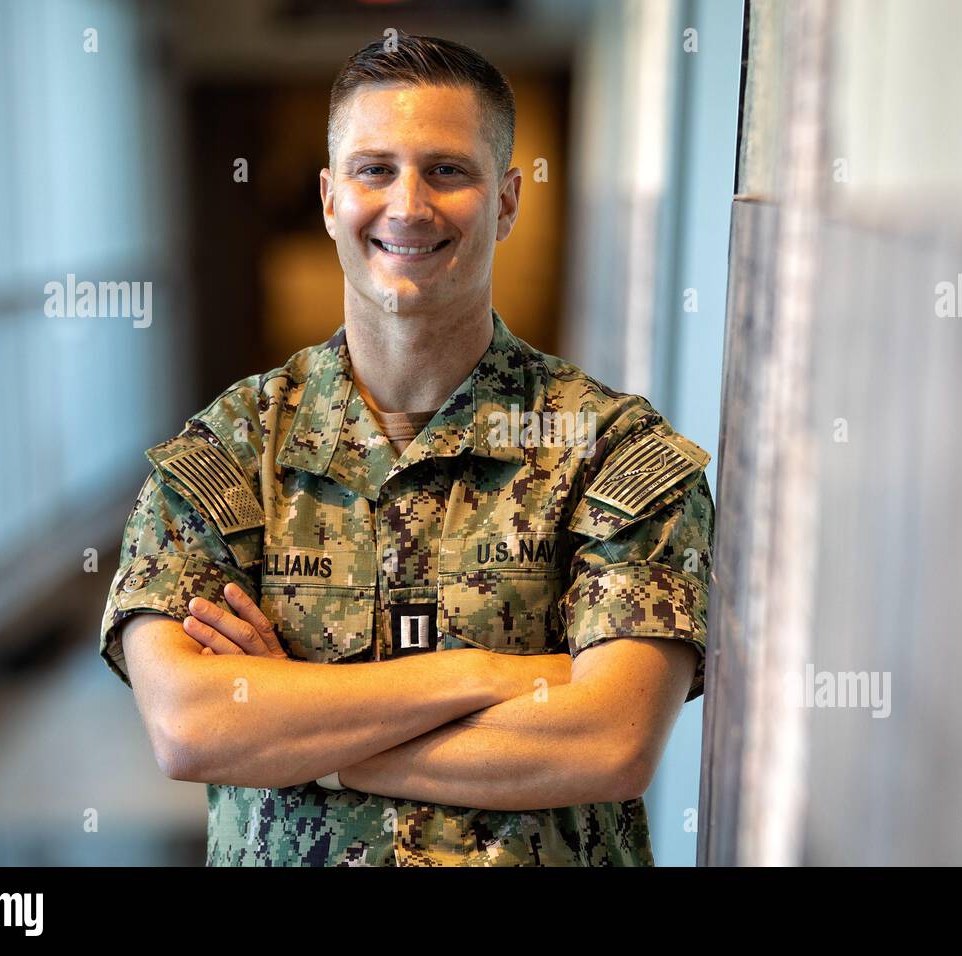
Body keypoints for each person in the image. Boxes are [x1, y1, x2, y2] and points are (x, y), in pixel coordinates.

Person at [99, 30, 715, 866]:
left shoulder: (609, 453)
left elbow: (609, 742)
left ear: (506, 200)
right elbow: (192, 726)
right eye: (374, 169)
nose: (408, 204)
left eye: (448, 170)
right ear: (328, 198)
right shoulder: (231, 454)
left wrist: (301, 738)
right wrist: (485, 676)